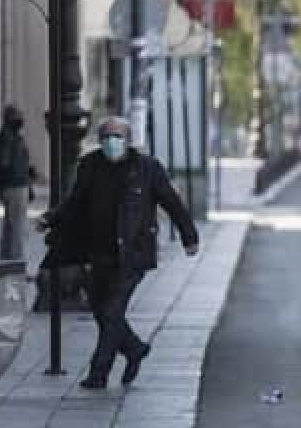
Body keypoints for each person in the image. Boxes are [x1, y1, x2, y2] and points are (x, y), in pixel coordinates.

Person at [37, 116, 199, 390]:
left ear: (128, 140)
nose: (113, 142)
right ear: (100, 141)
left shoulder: (147, 168)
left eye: (119, 136)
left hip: (133, 254)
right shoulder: (90, 165)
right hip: (97, 253)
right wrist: (51, 219)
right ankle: (134, 349)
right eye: (108, 136)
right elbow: (75, 202)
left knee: (112, 311)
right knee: (102, 312)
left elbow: (172, 203)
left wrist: (189, 237)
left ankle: (98, 374)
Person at [0, 104, 33, 261]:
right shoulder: (8, 138)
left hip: (15, 185)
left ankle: (6, 260)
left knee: (11, 227)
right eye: (17, 116)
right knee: (17, 228)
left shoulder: (12, 137)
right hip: (15, 186)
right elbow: (5, 163)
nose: (20, 120)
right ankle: (16, 262)